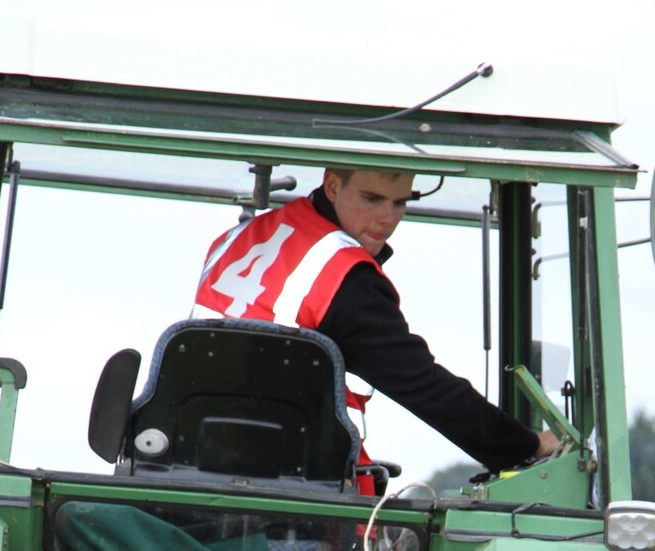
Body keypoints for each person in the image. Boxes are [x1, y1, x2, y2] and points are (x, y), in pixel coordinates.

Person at [194, 167, 557, 476]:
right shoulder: (345, 279)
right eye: (373, 199)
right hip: (291, 480)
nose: (389, 218)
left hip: (193, 456)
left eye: (400, 202)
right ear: (333, 185)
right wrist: (527, 445)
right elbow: (423, 386)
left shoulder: (236, 238)